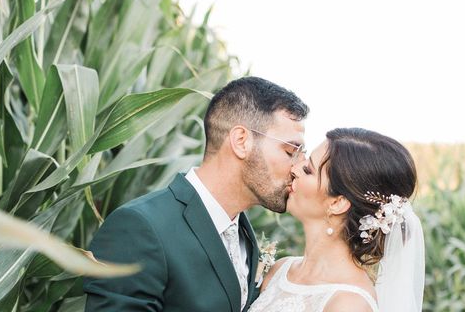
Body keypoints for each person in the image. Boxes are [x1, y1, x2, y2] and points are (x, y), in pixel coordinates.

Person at [83, 76, 309, 312]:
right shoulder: (140, 227)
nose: (297, 168)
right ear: (241, 141)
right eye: (290, 150)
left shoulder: (246, 237)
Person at [249, 127, 424, 312]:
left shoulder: (349, 304)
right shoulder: (279, 270)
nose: (294, 168)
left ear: (338, 203)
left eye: (308, 170)